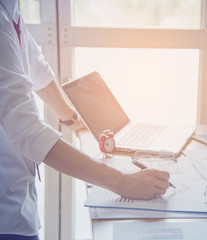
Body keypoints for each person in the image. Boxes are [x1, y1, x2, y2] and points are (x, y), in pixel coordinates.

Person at [0, 0, 170, 238]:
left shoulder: (10, 9)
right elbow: (27, 130)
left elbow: (34, 67)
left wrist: (70, 118)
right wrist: (124, 183)